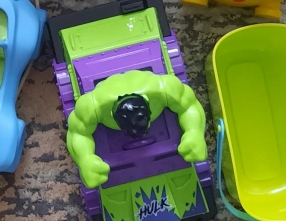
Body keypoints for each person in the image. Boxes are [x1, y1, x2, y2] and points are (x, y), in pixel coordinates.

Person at [66, 70, 207, 188]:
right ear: (112, 115)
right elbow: (77, 132)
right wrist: (85, 159)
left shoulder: (164, 88)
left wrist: (194, 132)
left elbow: (189, 106)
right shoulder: (92, 106)